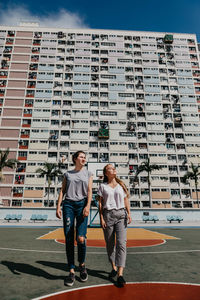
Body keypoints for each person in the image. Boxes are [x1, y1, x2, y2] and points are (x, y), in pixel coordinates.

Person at [56, 151, 93, 287]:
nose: (83, 159)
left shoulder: (88, 173)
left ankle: (82, 265)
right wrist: (58, 206)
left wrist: (88, 205)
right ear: (75, 159)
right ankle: (71, 271)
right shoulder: (67, 174)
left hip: (82, 205)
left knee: (81, 238)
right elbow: (62, 191)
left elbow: (89, 191)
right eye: (81, 157)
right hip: (68, 205)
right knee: (69, 238)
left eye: (84, 157)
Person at [98, 164, 131, 287]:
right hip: (108, 216)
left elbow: (125, 200)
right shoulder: (102, 186)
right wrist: (101, 218)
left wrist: (129, 213)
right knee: (110, 244)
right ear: (106, 173)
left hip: (121, 215)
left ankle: (120, 274)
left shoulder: (121, 185)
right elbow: (100, 203)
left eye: (114, 168)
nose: (114, 169)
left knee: (122, 243)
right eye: (111, 168)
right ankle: (113, 267)